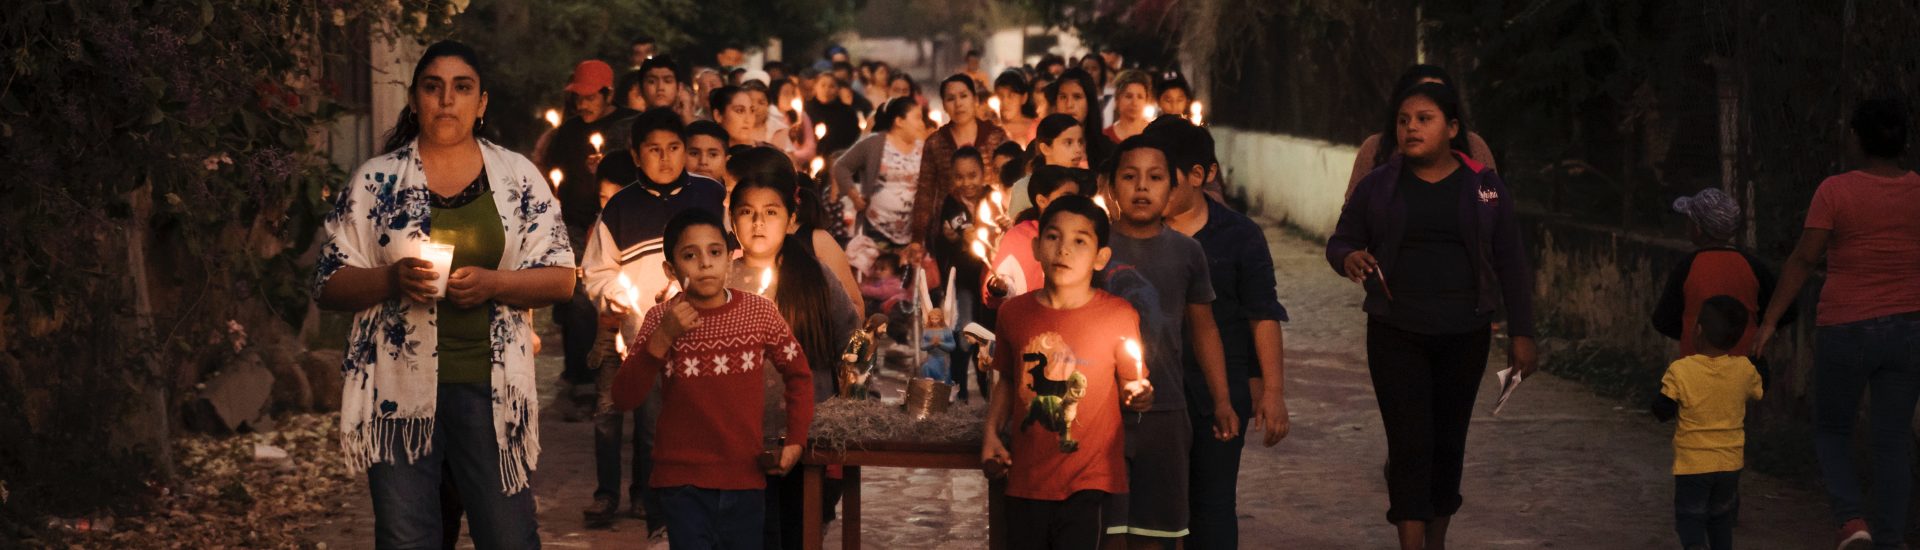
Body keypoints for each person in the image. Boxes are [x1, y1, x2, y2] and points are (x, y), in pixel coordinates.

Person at [311, 40, 574, 549]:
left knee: (509, 535)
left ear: (482, 103)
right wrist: (392, 279)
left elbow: (561, 277)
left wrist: (495, 283)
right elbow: (328, 282)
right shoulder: (376, 182)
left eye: (462, 88)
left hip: (489, 390)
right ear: (414, 100)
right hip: (398, 395)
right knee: (408, 537)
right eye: (433, 87)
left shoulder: (518, 177)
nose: (446, 100)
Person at [1326, 82, 1538, 550]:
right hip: (1395, 331)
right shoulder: (1379, 185)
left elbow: (1512, 263)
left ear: (1453, 128)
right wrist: (1349, 258)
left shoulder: (1484, 186)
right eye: (1404, 120)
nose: (1411, 128)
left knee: (1447, 444)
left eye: (1425, 119)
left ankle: (1436, 539)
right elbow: (1340, 240)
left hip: (1465, 333)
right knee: (1409, 444)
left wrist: (1522, 332)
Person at [1753, 98, 1920, 550]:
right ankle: (1891, 539)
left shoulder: (1835, 191)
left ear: (1858, 139)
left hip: (1846, 328)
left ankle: (1851, 521)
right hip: (1908, 329)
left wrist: (1769, 322)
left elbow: (1805, 258)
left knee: (1831, 430)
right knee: (1892, 441)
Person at [610, 208, 812, 550]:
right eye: (691, 255)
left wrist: (796, 440)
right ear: (671, 270)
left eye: (715, 252)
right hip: (681, 482)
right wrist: (663, 337)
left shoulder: (758, 312)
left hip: (745, 477)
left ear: (729, 260)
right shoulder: (661, 317)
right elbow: (624, 396)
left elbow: (799, 376)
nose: (705, 263)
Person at [581, 108, 729, 529]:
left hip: (707, 334)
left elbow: (729, 254)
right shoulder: (621, 207)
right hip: (647, 339)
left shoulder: (710, 195)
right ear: (635, 154)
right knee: (653, 428)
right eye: (654, 150)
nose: (665, 159)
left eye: (674, 148)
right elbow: (597, 270)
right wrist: (615, 294)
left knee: (704, 425)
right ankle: (659, 517)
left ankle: (706, 508)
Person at [979, 194, 1153, 550]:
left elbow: (1131, 386)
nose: (1064, 250)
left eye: (1080, 241)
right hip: (1025, 477)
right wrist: (991, 434)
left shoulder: (1118, 316)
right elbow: (1009, 380)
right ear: (1037, 246)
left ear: (1101, 257)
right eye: (1053, 237)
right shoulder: (1014, 313)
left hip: (1088, 478)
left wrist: (1139, 395)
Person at [1147, 118, 1290, 549]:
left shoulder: (1240, 235)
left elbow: (1261, 313)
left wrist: (1272, 390)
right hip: (1150, 389)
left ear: (1199, 175)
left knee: (1212, 503)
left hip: (1220, 388)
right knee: (1151, 506)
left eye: (1161, 178)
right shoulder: (1129, 237)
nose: (1150, 189)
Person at [1098, 135, 1239, 546]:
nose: (1142, 187)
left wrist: (1222, 400)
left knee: (1154, 531)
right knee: (1105, 531)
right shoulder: (1095, 248)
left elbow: (1204, 328)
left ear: (1173, 188)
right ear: (1110, 186)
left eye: (1155, 177)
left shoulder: (1187, 252)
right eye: (1130, 176)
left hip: (1165, 410)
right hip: (1100, 412)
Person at [724, 147, 860, 549]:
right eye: (747, 212)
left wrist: (843, 412)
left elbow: (849, 344)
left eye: (771, 212)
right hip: (739, 437)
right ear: (732, 221)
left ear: (791, 218)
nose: (758, 223)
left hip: (807, 435)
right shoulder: (722, 280)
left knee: (798, 531)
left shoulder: (815, 278)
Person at [550, 59, 642, 413]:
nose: (583, 105)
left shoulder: (629, 125)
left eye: (590, 97)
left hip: (619, 221)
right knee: (576, 296)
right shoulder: (568, 132)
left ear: (609, 94)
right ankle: (580, 375)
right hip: (575, 223)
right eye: (578, 98)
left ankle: (619, 373)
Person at [1652, 295, 1768, 550]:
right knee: (1721, 520)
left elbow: (1661, 410)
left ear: (1698, 331)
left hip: (1693, 464)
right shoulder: (1744, 370)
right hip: (1729, 463)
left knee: (1690, 519)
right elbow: (1760, 389)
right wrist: (1760, 358)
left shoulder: (1681, 370)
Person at [1650, 188, 1781, 357]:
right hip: (1746, 367)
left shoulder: (1688, 266)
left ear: (1697, 229)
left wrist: (1699, 336)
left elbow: (1663, 320)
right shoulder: (1753, 266)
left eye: (1689, 220)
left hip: (1698, 368)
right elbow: (1779, 309)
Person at [1346, 64, 1497, 199]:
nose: (1412, 126)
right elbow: (1351, 218)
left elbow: (1493, 211)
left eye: (1425, 117)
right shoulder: (1375, 149)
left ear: (1452, 125)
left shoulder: (1474, 148)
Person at [911, 75, 1008, 264]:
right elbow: (925, 192)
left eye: (963, 96)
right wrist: (917, 238)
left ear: (975, 99)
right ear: (944, 106)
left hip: (992, 231)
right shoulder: (935, 143)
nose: (958, 104)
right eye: (950, 99)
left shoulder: (995, 136)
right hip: (950, 234)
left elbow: (1008, 182)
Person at [831, 98, 929, 278]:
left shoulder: (923, 149)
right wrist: (854, 196)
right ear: (899, 121)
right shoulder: (874, 144)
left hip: (909, 234)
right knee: (872, 286)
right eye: (916, 118)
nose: (921, 124)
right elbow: (841, 166)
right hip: (874, 230)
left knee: (903, 289)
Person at [929, 146, 996, 401]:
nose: (966, 182)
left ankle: (988, 389)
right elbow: (957, 236)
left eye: (972, 175)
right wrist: (952, 238)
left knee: (988, 334)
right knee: (966, 332)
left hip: (990, 279)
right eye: (960, 177)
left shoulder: (993, 198)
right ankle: (959, 389)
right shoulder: (951, 203)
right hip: (965, 280)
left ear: (983, 173)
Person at [986, 165, 1095, 310]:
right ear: (1042, 201)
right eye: (1066, 197)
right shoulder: (1019, 236)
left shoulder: (1084, 235)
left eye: (1076, 198)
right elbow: (999, 289)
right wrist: (999, 288)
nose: (1072, 204)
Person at [1008, 114, 1088, 214]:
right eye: (1068, 142)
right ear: (1046, 148)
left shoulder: (1087, 184)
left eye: (1080, 142)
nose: (1078, 150)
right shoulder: (1024, 188)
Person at [1048, 69, 1114, 173]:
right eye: (1063, 97)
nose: (1069, 104)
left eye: (1077, 97)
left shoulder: (1107, 151)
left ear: (1089, 102)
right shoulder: (1043, 146)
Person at [806, 75, 862, 155]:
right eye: (823, 85)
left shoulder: (847, 112)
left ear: (838, 90)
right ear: (815, 87)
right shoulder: (806, 109)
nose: (827, 90)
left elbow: (853, 138)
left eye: (831, 86)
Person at [1104, 70, 1153, 143]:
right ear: (1117, 100)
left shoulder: (1155, 134)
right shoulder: (1105, 137)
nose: (1134, 103)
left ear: (1146, 101)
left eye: (1140, 97)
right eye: (1128, 96)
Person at [994, 70, 1039, 146]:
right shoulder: (992, 129)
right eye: (1000, 96)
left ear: (1024, 98)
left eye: (1011, 96)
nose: (1005, 102)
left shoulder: (1038, 128)